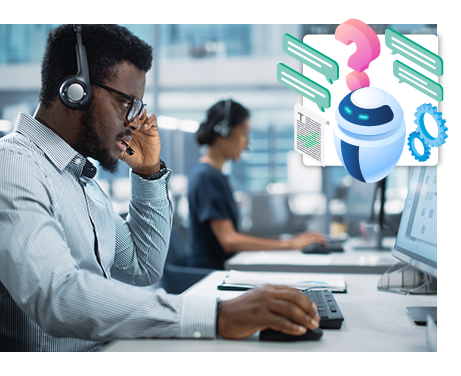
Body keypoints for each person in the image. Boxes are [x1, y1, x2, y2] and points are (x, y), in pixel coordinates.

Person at [0, 24, 319, 352]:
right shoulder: (12, 166)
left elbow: (143, 266)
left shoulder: (82, 182)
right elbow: (57, 296)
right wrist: (216, 316)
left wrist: (149, 174)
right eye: (126, 104)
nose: (134, 124)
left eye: (138, 109)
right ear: (75, 90)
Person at [188, 99, 327, 270]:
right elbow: (230, 240)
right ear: (224, 132)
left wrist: (285, 241)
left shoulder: (214, 175)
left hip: (223, 269)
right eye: (244, 133)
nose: (247, 143)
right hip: (209, 275)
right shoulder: (206, 176)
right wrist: (289, 244)